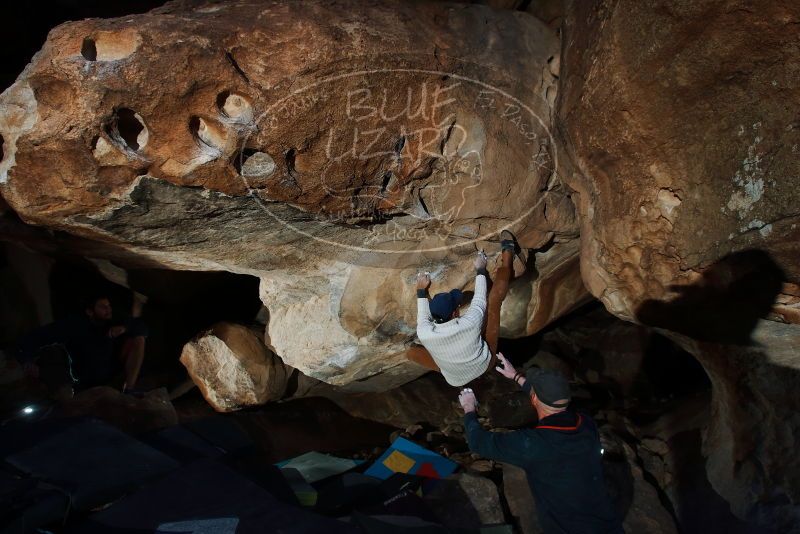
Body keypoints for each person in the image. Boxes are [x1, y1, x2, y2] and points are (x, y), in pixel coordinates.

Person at [458, 353, 623, 534]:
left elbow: (478, 442)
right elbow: (550, 399)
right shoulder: (585, 423)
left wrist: (469, 408)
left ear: (534, 398)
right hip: (608, 525)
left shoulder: (534, 445)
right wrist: (516, 376)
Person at [408, 230, 524, 386]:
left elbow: (423, 313)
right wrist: (480, 268)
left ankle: (508, 253)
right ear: (456, 312)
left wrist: (421, 289)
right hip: (484, 363)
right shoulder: (469, 323)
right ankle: (508, 256)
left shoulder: (424, 332)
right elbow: (480, 298)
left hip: (455, 379)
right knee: (494, 302)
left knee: (411, 353)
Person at [15, 293, 148, 398]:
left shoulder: (111, 319)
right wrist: (27, 360)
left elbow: (139, 326)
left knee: (139, 338)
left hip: (112, 374)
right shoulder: (74, 325)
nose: (108, 310)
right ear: (90, 312)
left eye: (109, 306)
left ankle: (129, 389)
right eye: (103, 307)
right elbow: (36, 337)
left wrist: (124, 328)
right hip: (87, 378)